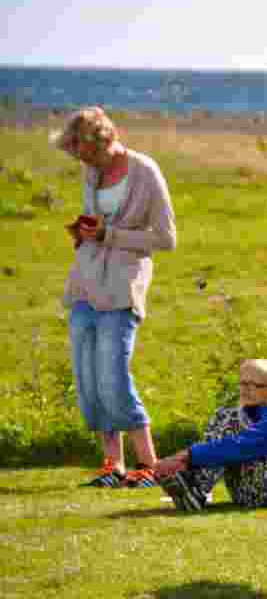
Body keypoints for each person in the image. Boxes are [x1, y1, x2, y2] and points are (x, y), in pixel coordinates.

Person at [52, 106, 177, 488]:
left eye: (86, 154)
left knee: (114, 377)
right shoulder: (91, 172)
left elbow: (165, 239)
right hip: (85, 285)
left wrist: (109, 235)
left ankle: (150, 466)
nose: (83, 162)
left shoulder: (145, 172)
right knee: (89, 380)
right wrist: (85, 232)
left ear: (104, 141)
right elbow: (97, 221)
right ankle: (113, 466)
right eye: (78, 156)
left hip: (122, 289)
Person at [153, 359, 267, 512]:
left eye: (255, 385)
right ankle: (192, 485)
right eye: (243, 383)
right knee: (224, 415)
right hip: (246, 491)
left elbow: (239, 447)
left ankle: (194, 485)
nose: (246, 389)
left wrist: (185, 456)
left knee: (230, 419)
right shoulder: (251, 413)